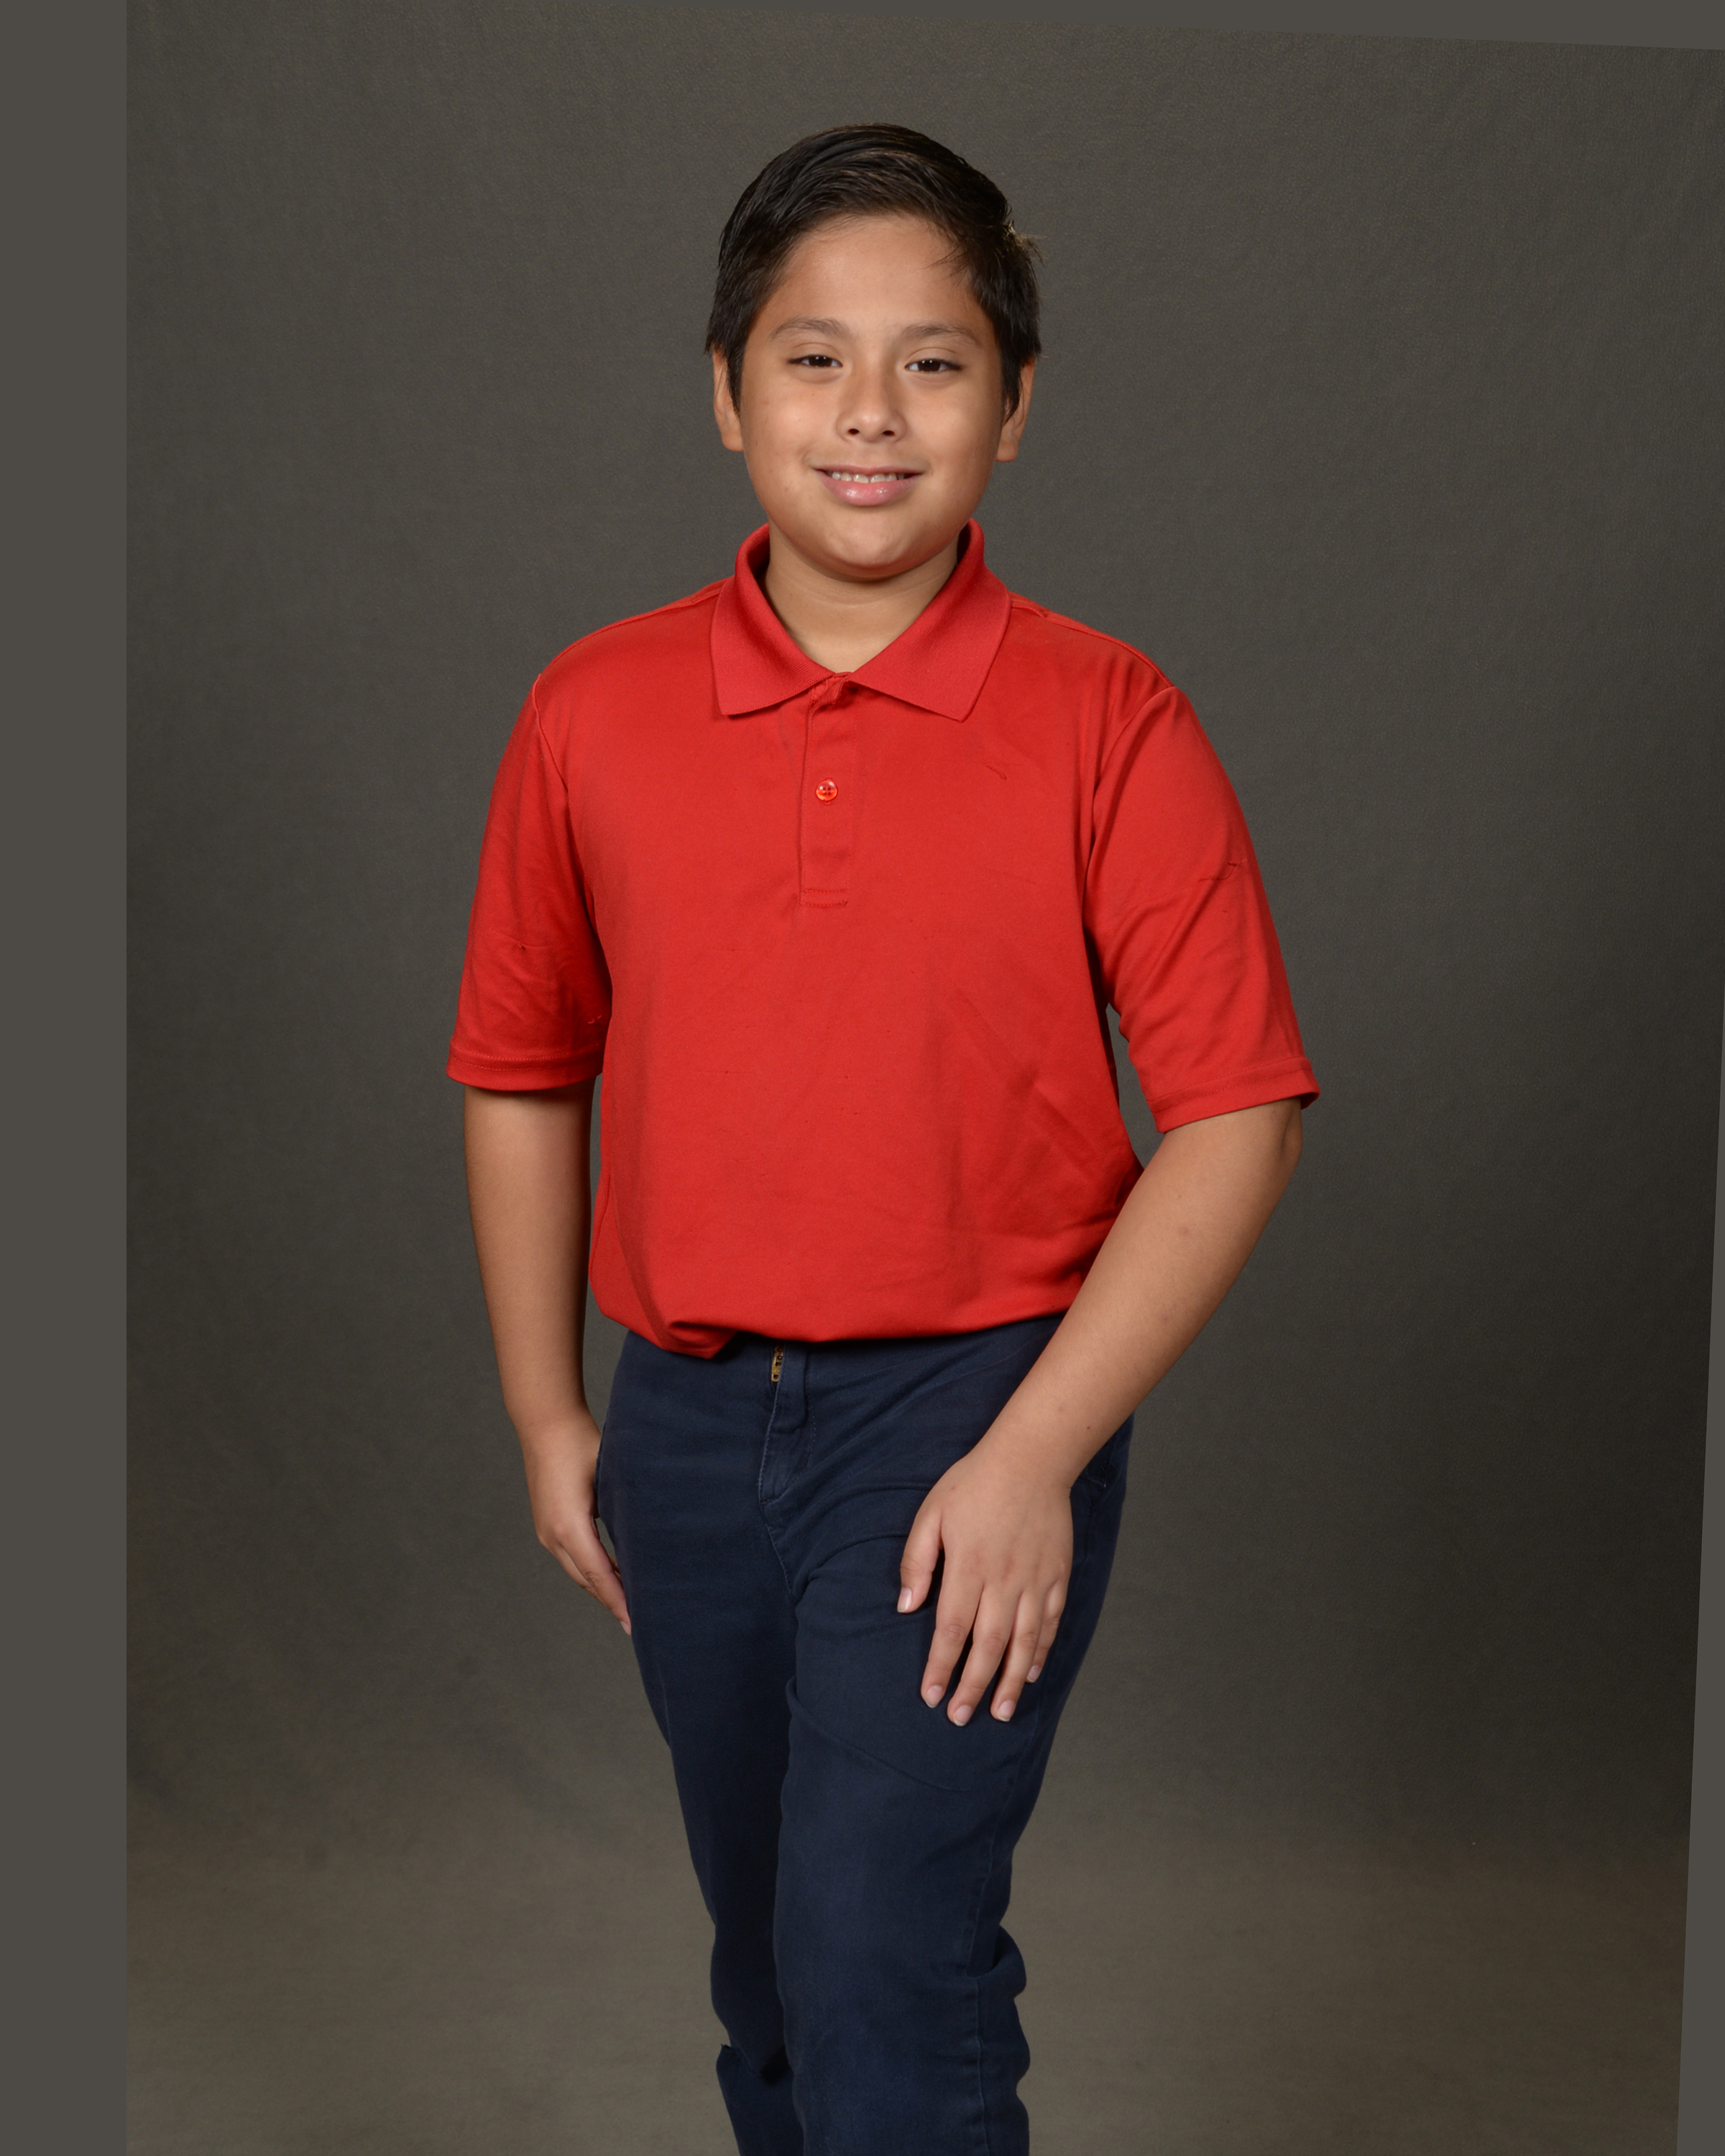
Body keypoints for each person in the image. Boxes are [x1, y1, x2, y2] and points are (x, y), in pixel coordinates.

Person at [450, 123, 1317, 2156]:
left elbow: (1238, 1111)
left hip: (969, 1412)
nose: (870, 414)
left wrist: (1033, 1456)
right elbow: (521, 1068)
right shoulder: (591, 710)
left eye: (933, 363)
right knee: (770, 1969)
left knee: (880, 1953)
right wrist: (546, 1410)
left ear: (1012, 408)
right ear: (726, 390)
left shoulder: (1110, 718)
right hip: (682, 1420)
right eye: (813, 358)